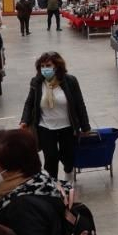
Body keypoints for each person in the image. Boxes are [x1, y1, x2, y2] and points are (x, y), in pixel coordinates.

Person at [19, 52, 90, 180]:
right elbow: (29, 103)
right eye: (42, 66)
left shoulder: (70, 81)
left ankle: (68, 175)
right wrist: (24, 120)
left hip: (67, 127)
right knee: (50, 158)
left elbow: (79, 104)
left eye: (48, 65)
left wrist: (85, 127)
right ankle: (53, 186)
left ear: (57, 66)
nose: (45, 69)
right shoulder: (37, 82)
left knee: (67, 156)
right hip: (45, 127)